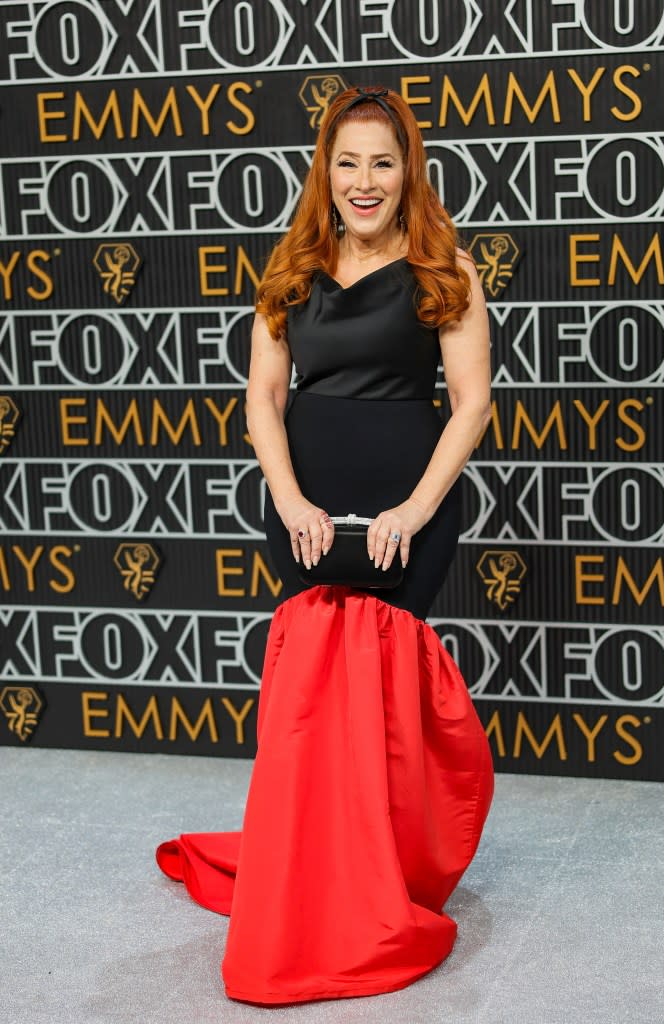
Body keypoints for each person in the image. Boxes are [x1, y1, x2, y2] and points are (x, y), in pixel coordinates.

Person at [156, 85, 495, 1006]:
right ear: (325, 171)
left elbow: (471, 405)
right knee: (312, 697)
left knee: (380, 702)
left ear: (406, 170)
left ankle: (375, 885)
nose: (364, 180)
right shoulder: (291, 267)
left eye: (382, 161)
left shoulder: (444, 270)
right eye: (347, 162)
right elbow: (263, 398)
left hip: (406, 512)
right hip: (304, 509)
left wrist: (415, 510)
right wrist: (289, 497)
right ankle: (311, 873)